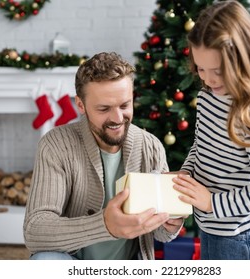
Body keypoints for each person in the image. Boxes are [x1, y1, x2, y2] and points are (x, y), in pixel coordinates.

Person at [23, 52, 183, 260]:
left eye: (125, 105)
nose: (117, 118)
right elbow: (35, 231)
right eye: (104, 109)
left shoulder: (150, 146)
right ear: (80, 105)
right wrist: (104, 225)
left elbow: (160, 233)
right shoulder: (55, 145)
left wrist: (170, 224)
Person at [172, 1, 250, 260]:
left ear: (243, 60)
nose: (207, 79)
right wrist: (186, 173)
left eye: (217, 71)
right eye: (200, 69)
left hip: (240, 236)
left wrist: (212, 203)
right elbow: (200, 146)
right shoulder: (207, 97)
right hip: (211, 226)